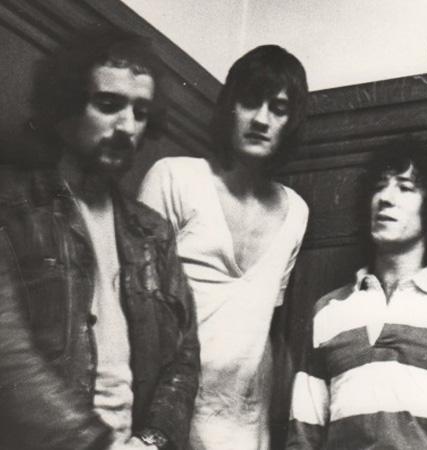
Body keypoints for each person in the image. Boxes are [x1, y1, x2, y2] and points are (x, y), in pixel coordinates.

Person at [0, 29, 199, 450]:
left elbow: (183, 358)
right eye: (108, 105)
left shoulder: (153, 234)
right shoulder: (13, 205)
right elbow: (8, 354)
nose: (127, 126)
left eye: (141, 111)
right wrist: (97, 444)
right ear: (66, 107)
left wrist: (152, 442)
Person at [138, 45, 309, 450]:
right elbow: (137, 303)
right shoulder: (175, 178)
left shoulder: (297, 212)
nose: (262, 119)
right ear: (229, 106)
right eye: (250, 101)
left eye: (278, 108)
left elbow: (264, 329)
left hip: (242, 424)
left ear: (292, 122)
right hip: (166, 413)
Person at [286, 138, 427, 449]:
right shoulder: (328, 311)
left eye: (405, 187)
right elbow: (303, 437)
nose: (385, 198)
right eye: (379, 186)